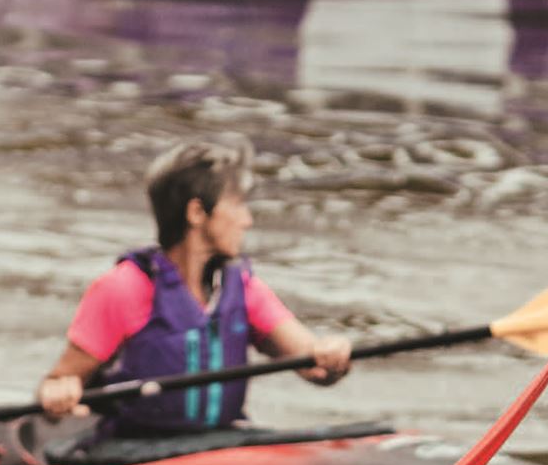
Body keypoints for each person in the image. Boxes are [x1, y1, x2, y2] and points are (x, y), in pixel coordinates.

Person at [36, 135, 352, 434]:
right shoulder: (124, 288)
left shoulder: (241, 287)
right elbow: (57, 383)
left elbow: (315, 367)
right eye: (238, 205)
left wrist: (331, 354)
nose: (247, 220)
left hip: (218, 444)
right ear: (197, 212)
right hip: (133, 451)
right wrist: (58, 391)